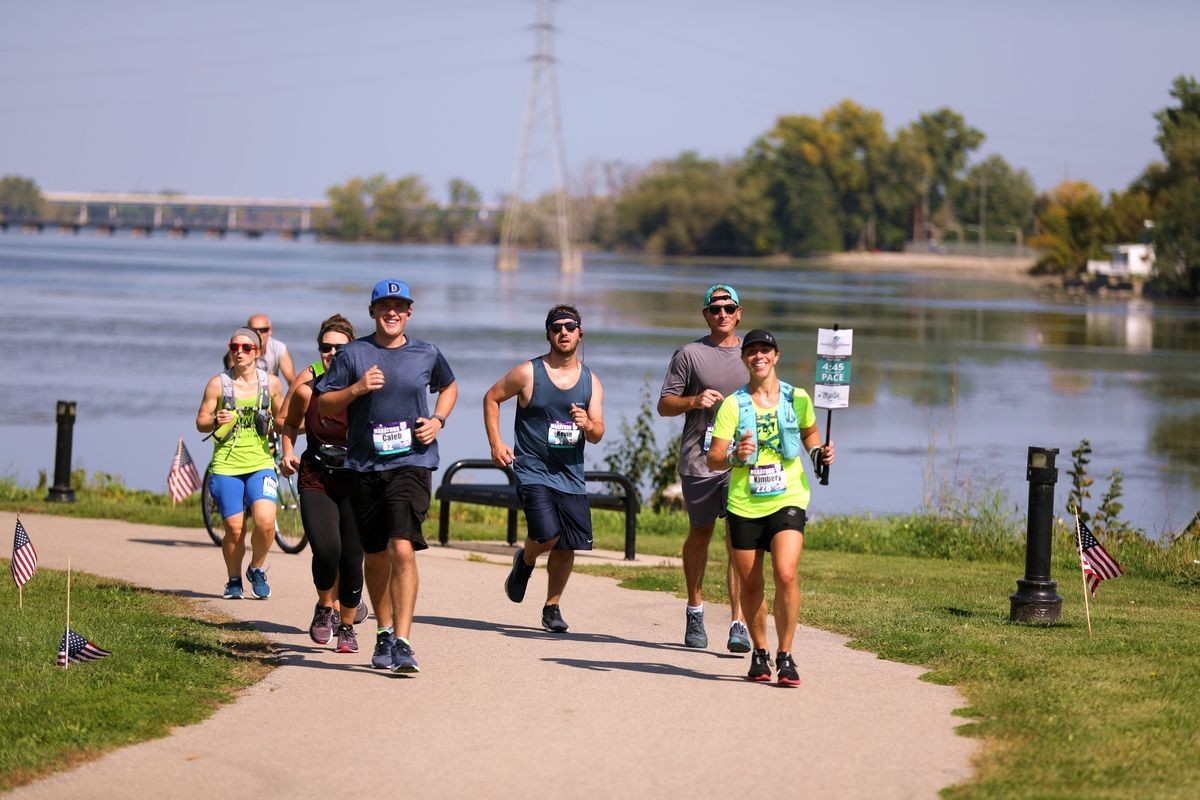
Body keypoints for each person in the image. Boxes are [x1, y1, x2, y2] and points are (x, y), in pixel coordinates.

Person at [315, 280, 458, 674]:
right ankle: (383, 631)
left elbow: (449, 386)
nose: (392, 313)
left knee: (402, 547)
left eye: (399, 306)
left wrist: (438, 421)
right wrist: (357, 388)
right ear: (373, 311)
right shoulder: (353, 353)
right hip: (364, 466)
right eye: (384, 306)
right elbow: (325, 402)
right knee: (375, 555)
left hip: (411, 462)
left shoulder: (426, 353)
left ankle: (404, 642)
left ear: (409, 312)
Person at [705, 329, 835, 687]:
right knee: (750, 582)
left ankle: (786, 655)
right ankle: (760, 652)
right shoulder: (733, 405)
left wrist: (818, 453)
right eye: (752, 351)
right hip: (745, 503)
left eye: (765, 350)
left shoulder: (798, 398)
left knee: (787, 572)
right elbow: (714, 458)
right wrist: (735, 455)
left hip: (788, 496)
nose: (759, 356)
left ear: (776, 356)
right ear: (745, 359)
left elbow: (810, 434)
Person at [485, 304, 605, 634]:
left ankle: (552, 606)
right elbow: (492, 397)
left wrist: (587, 424)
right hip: (532, 469)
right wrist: (496, 442)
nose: (563, 332)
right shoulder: (528, 373)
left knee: (568, 544)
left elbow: (597, 434)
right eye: (556, 327)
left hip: (570, 473)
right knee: (548, 533)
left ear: (580, 333)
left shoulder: (591, 382)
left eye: (570, 326)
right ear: (548, 333)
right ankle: (525, 560)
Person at [657, 283, 758, 653]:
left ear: (739, 312)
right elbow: (664, 405)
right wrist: (694, 400)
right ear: (705, 315)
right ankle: (695, 609)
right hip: (699, 461)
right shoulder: (689, 354)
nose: (722, 315)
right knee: (700, 535)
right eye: (715, 309)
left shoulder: (753, 354)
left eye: (728, 308)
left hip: (741, 462)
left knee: (738, 540)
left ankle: (738, 623)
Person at [278, 313, 368, 655]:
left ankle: (346, 626)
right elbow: (287, 423)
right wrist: (288, 451)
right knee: (327, 550)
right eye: (325, 348)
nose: (331, 353)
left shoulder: (366, 389)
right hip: (317, 477)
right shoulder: (307, 388)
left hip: (357, 481)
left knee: (352, 557)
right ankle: (324, 607)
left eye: (339, 348)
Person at [195, 327, 285, 600]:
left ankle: (256, 568)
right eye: (235, 347)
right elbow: (200, 422)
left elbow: (284, 421)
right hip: (226, 465)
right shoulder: (217, 384)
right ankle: (233, 580)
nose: (240, 352)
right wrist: (215, 420)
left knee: (266, 521)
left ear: (257, 352)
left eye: (247, 348)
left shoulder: (272, 384)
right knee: (235, 529)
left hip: (261, 462)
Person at [247, 313, 297, 384]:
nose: (258, 333)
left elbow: (292, 381)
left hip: (271, 391)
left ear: (270, 331)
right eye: (254, 330)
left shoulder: (279, 348)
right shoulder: (238, 348)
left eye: (263, 330)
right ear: (247, 330)